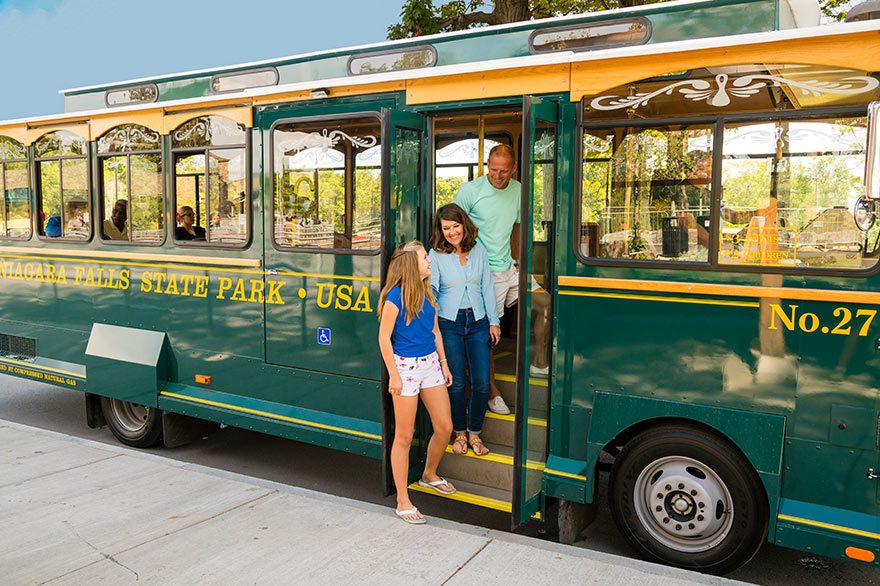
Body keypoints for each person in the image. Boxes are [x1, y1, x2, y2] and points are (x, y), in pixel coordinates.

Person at [378, 240, 456, 524]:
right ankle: (402, 500)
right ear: (412, 264)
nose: (430, 261)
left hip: (431, 364)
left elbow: (435, 331)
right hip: (406, 368)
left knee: (445, 427)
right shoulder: (394, 298)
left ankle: (429, 474)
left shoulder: (428, 294)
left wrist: (444, 364)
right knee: (405, 436)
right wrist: (395, 375)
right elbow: (384, 338)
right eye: (425, 257)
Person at [453, 144, 520, 414]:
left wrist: (521, 262)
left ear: (512, 169)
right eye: (493, 169)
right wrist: (466, 267)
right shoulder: (470, 191)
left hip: (510, 268)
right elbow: (452, 229)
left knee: (545, 305)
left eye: (503, 171)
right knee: (488, 332)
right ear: (486, 165)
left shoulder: (517, 190)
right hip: (483, 271)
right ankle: (492, 391)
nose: (497, 175)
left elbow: (517, 226)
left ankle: (540, 368)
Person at [428, 204, 499, 457]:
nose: (451, 232)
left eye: (455, 226)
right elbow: (433, 288)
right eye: (446, 228)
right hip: (449, 323)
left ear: (464, 225)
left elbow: (487, 286)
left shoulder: (479, 250)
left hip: (478, 320)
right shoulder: (435, 254)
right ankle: (459, 432)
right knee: (456, 383)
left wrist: (494, 321)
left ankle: (475, 434)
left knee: (481, 382)